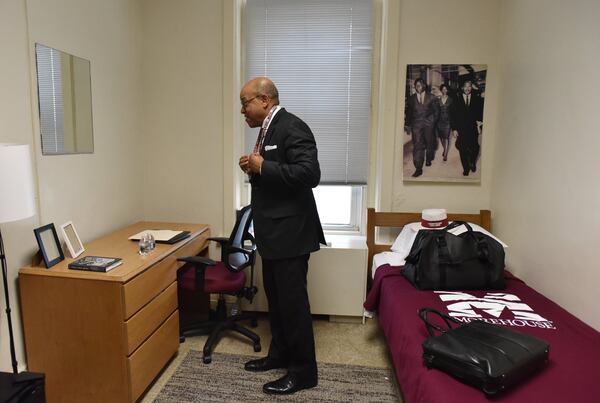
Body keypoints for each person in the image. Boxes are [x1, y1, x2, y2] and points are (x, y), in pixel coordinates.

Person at [238, 77, 326, 395]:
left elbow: (309, 174)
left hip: (291, 234)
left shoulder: (292, 126)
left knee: (293, 306)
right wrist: (255, 168)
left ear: (264, 100)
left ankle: (304, 372)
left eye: (245, 102)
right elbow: (277, 171)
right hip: (273, 233)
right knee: (276, 301)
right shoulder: (268, 129)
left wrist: (264, 167)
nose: (242, 110)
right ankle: (280, 356)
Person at [404, 78, 440, 177]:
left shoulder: (432, 97)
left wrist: (432, 122)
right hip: (417, 126)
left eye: (419, 85)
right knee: (417, 146)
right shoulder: (411, 99)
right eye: (416, 85)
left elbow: (437, 112)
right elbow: (409, 113)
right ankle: (418, 168)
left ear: (424, 86)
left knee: (430, 144)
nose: (417, 87)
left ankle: (429, 158)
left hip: (429, 125)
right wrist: (407, 125)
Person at [451, 79, 484, 176]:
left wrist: (480, 124)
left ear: (472, 87)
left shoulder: (477, 99)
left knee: (475, 147)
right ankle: (465, 168)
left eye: (469, 86)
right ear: (462, 87)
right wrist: (454, 129)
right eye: (465, 86)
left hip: (473, 127)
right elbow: (453, 115)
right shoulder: (456, 99)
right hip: (461, 129)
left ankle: (472, 162)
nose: (467, 88)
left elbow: (481, 113)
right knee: (462, 148)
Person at [435, 84, 453, 162]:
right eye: (443, 89)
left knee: (447, 137)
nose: (444, 90)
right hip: (439, 121)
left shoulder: (451, 100)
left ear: (447, 90)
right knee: (441, 137)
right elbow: (436, 110)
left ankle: (445, 153)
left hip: (448, 121)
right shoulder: (438, 99)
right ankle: (444, 148)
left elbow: (453, 111)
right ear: (441, 90)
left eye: (446, 89)